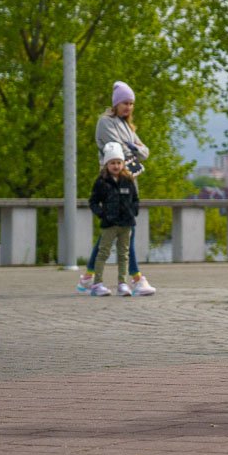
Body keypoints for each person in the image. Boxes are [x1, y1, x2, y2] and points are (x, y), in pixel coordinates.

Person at [76, 81, 157, 295]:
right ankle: (136, 278)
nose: (128, 107)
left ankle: (87, 278)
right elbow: (117, 152)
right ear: (116, 103)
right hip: (111, 184)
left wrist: (135, 150)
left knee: (112, 234)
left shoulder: (127, 126)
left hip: (128, 184)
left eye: (131, 103)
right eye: (125, 103)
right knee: (122, 232)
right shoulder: (106, 122)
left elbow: (145, 151)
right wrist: (135, 152)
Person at [86, 142, 142, 296]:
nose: (116, 166)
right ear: (106, 165)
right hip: (109, 224)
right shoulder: (101, 182)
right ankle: (97, 283)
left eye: (118, 162)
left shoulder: (128, 180)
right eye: (112, 163)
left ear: (123, 163)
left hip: (126, 223)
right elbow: (93, 202)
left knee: (124, 254)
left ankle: (122, 284)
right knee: (103, 253)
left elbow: (135, 199)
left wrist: (133, 211)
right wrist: (102, 214)